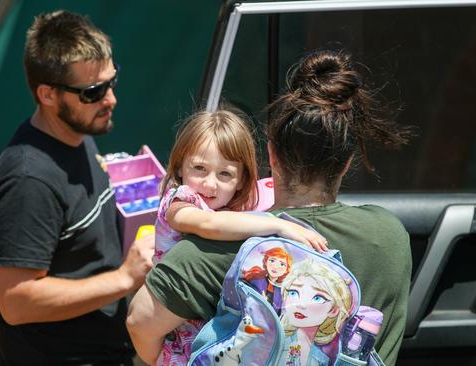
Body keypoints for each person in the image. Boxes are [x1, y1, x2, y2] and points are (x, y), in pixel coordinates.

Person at [126, 50, 413, 366]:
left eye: (223, 173)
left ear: (271, 156)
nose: (210, 183)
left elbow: (140, 322)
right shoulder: (391, 236)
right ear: (345, 164)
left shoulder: (211, 250)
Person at [0, 10, 154, 365]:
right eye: (93, 92)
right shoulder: (28, 180)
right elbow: (16, 300)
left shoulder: (76, 138)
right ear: (47, 94)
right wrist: (124, 278)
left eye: (112, 81)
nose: (110, 99)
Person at [152, 110, 328, 365]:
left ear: (241, 180)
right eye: (200, 168)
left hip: (212, 335)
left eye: (225, 174)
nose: (210, 185)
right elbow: (207, 224)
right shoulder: (180, 200)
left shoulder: (234, 213)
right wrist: (278, 226)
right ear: (180, 166)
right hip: (177, 338)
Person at [278, 259, 353, 366]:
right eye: (293, 293)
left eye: (317, 298)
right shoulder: (277, 344)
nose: (301, 304)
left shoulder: (321, 359)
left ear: (334, 310)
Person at [242, 246, 293, 314]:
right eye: (272, 260)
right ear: (266, 261)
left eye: (282, 264)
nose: (275, 267)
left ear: (287, 270)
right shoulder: (256, 280)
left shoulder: (283, 290)